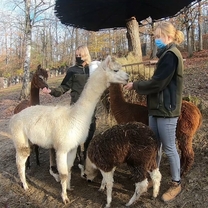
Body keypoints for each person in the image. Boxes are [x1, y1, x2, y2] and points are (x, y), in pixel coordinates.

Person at [124, 22, 184, 202]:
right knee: (154, 146)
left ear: (168, 36)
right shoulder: (164, 55)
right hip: (157, 108)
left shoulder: (171, 56)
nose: (156, 40)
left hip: (167, 109)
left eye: (158, 36)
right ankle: (154, 176)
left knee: (169, 147)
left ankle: (176, 183)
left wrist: (136, 85)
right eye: (155, 37)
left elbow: (158, 83)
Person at [42, 45, 97, 170]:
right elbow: (63, 87)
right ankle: (76, 156)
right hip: (76, 106)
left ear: (86, 54)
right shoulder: (72, 70)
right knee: (76, 133)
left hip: (91, 106)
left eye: (80, 55)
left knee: (91, 129)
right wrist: (51, 91)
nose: (78, 57)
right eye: (76, 55)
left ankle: (87, 155)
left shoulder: (92, 69)